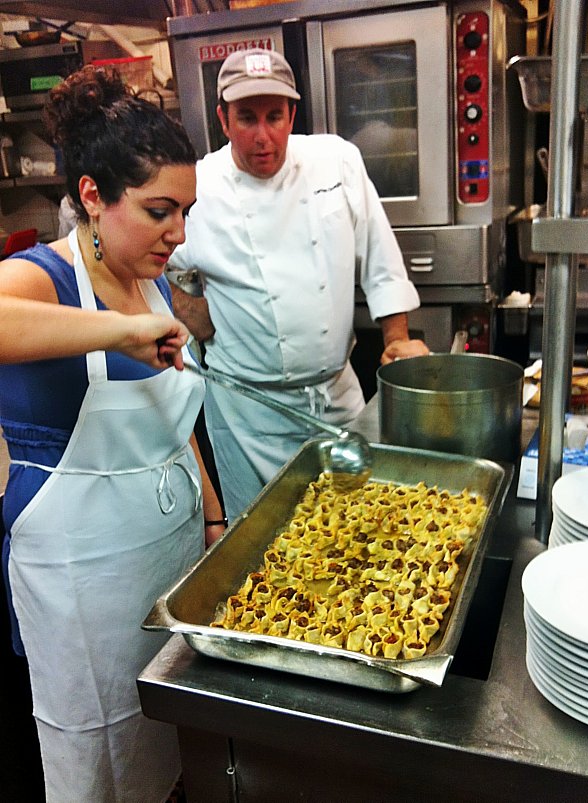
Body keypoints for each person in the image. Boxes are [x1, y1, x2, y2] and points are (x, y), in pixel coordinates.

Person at [0, 65, 226, 803]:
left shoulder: (152, 275)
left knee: (165, 734)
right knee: (100, 756)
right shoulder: (46, 279)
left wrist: (215, 516)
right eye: (161, 210)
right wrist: (121, 329)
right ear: (93, 195)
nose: (179, 233)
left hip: (164, 563)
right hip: (82, 587)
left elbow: (175, 413)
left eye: (185, 212)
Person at [168, 47, 429, 523]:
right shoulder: (198, 187)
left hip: (336, 399)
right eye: (247, 118)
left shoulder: (337, 161)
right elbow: (148, 263)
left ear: (293, 114)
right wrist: (186, 306)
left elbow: (379, 256)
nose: (263, 136)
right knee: (263, 543)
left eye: (275, 116)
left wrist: (397, 337)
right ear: (223, 119)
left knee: (361, 530)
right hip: (250, 414)